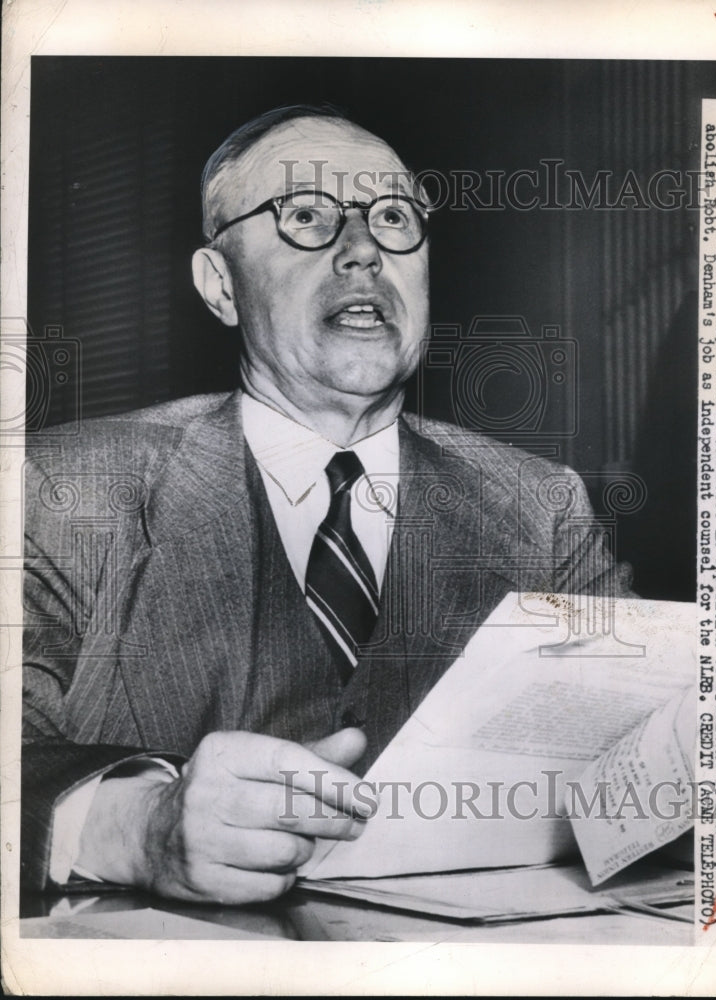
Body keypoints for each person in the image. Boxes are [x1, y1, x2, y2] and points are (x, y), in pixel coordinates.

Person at [22, 105, 633, 905]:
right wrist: (137, 826)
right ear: (219, 286)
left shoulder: (540, 507)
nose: (362, 252)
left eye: (392, 217)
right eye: (305, 216)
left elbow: (642, 763)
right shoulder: (63, 490)